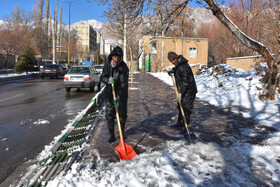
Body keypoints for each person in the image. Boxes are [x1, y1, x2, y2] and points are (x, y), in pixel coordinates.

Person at [100, 46, 129, 144]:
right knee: (109, 115)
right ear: (112, 56)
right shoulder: (107, 65)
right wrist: (107, 80)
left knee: (122, 116)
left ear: (121, 57)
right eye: (114, 57)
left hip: (121, 95)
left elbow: (124, 83)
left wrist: (119, 96)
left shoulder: (124, 67)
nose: (116, 59)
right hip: (109, 94)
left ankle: (121, 134)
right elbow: (102, 77)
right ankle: (111, 136)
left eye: (118, 57)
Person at [167, 51, 197, 135]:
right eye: (171, 61)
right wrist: (172, 71)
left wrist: (180, 93)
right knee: (180, 106)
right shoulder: (179, 65)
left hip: (189, 91)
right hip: (184, 90)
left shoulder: (183, 66)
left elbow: (185, 82)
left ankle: (185, 127)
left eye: (173, 59)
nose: (172, 62)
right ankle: (180, 123)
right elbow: (177, 70)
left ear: (176, 57)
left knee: (186, 109)